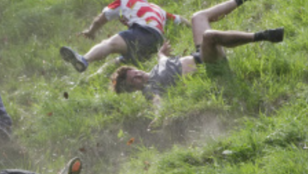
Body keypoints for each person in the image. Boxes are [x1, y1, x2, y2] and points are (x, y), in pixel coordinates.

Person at [110, 0, 284, 105]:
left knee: (197, 17)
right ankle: (263, 36)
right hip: (208, 66)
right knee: (209, 36)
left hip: (201, 54)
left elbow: (162, 59)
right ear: (133, 89)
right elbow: (157, 102)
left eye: (135, 73)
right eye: (135, 80)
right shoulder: (150, 89)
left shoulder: (157, 67)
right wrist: (159, 116)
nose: (139, 76)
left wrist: (162, 53)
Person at [60, 0, 190, 73]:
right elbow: (180, 19)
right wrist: (192, 26)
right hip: (155, 44)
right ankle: (92, 79)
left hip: (143, 32)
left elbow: (100, 20)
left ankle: (84, 60)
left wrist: (90, 32)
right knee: (116, 63)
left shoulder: (122, 2)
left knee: (110, 43)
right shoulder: (157, 9)